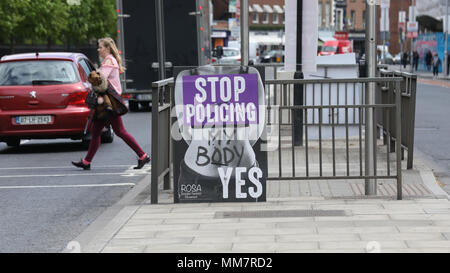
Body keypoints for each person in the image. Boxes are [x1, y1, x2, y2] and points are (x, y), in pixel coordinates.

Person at [72, 37, 150, 170]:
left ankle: (143, 156)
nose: (98, 49)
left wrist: (92, 77)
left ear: (107, 48)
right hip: (107, 102)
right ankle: (86, 162)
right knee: (96, 131)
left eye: (101, 47)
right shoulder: (109, 61)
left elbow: (101, 81)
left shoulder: (109, 61)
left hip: (109, 103)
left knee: (120, 131)